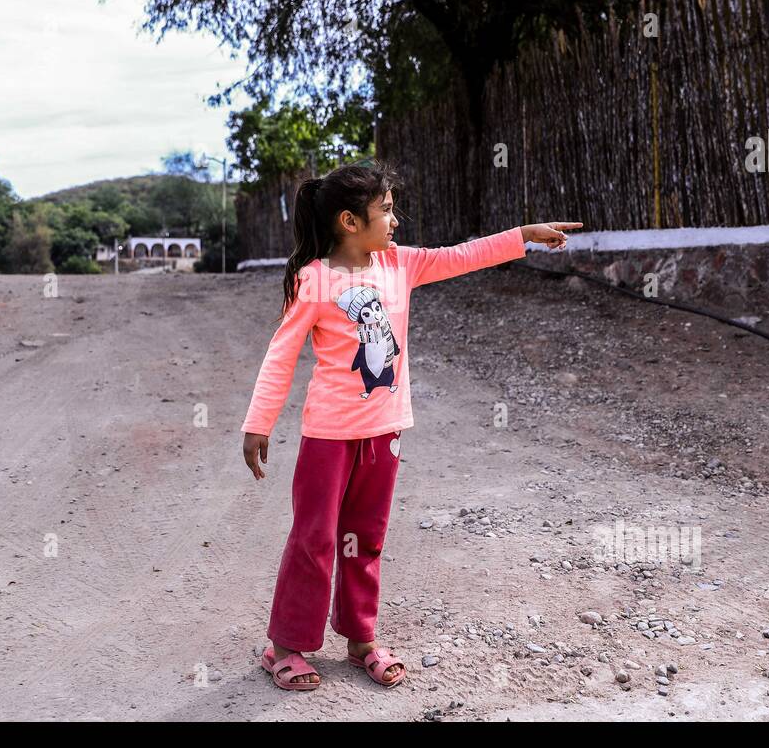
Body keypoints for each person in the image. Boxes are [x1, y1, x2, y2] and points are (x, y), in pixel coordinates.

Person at [241, 159, 581, 690]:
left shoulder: (399, 265)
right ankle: (285, 644)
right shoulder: (315, 280)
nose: (395, 220)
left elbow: (464, 255)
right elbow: (280, 355)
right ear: (349, 222)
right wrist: (258, 423)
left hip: (385, 430)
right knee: (315, 538)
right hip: (328, 436)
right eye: (387, 210)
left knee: (366, 537)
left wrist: (523, 236)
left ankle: (360, 639)